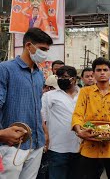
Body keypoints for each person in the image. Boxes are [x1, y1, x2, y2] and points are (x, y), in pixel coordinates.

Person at [0, 27, 53, 178]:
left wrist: (44, 131)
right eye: (42, 48)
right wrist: (2, 134)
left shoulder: (38, 74)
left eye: (47, 50)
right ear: (28, 46)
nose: (45, 53)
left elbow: (37, 105)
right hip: (11, 144)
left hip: (36, 143)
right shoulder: (5, 69)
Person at [72, 57, 110, 179]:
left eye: (105, 70)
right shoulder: (85, 92)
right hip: (89, 146)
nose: (102, 72)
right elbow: (78, 115)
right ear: (93, 74)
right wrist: (79, 131)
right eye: (98, 70)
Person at [42, 66, 81, 179]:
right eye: (59, 77)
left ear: (74, 79)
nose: (61, 79)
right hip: (57, 148)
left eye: (64, 77)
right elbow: (42, 119)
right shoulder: (49, 96)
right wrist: (46, 137)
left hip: (80, 148)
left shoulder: (84, 95)